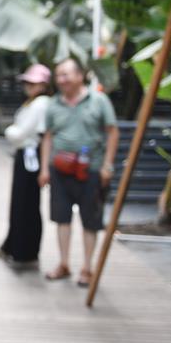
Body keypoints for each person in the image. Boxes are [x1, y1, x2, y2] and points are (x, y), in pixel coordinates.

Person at [39, 58, 119, 286]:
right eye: (58, 76)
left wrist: (107, 165)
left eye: (65, 75)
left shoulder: (98, 101)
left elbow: (112, 132)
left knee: (90, 220)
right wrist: (45, 168)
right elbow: (48, 137)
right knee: (61, 218)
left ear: (80, 75)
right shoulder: (54, 104)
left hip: (91, 169)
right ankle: (63, 263)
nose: (61, 80)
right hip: (60, 170)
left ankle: (87, 267)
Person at [0, 64, 52, 267]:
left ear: (43, 84)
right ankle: (14, 246)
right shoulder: (31, 103)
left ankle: (25, 251)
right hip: (24, 155)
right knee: (20, 202)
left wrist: (12, 132)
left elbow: (21, 133)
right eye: (28, 82)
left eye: (34, 82)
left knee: (27, 203)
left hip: (31, 156)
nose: (29, 86)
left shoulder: (40, 104)